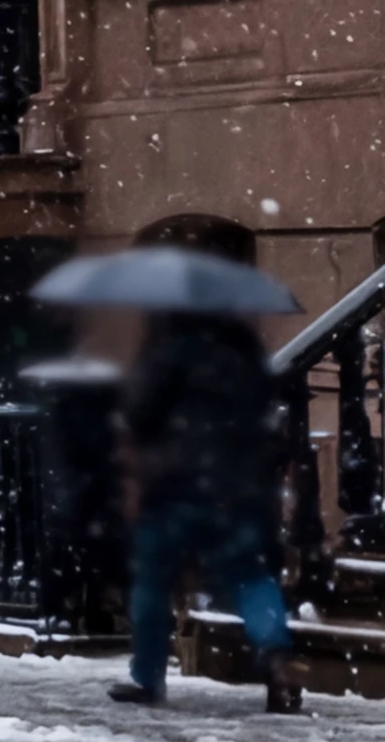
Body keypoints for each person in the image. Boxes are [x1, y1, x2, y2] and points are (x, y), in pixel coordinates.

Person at [116, 303, 304, 712]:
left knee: (152, 582)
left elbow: (140, 412)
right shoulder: (246, 354)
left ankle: (147, 678)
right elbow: (265, 413)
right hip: (237, 488)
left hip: (175, 485)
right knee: (250, 576)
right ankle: (275, 653)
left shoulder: (166, 351)